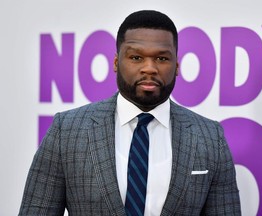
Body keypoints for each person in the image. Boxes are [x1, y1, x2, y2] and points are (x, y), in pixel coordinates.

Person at [19, 10, 241, 215]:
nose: (149, 68)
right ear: (116, 62)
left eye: (162, 58)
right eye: (136, 57)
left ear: (177, 66)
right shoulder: (66, 130)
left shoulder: (210, 137)